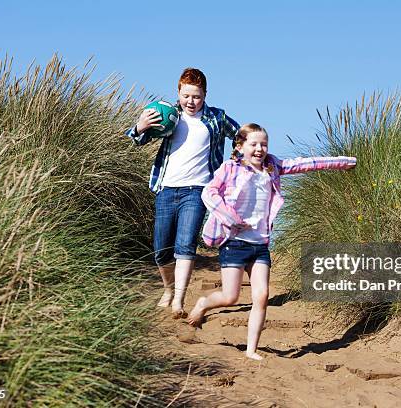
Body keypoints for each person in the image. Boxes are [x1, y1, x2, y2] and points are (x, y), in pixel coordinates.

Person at [187, 123, 356, 359]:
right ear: (241, 146)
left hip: (260, 245)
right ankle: (204, 303)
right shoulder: (230, 168)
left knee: (262, 296)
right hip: (234, 242)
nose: (259, 149)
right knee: (230, 297)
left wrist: (342, 162)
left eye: (264, 144)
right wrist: (230, 218)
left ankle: (251, 350)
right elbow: (209, 193)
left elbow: (304, 164)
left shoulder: (272, 167)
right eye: (254, 144)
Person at [125, 68, 239, 318]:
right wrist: (140, 126)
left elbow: (239, 135)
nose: (191, 101)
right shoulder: (168, 115)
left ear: (205, 95)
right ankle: (168, 290)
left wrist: (236, 158)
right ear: (178, 93)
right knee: (161, 250)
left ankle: (178, 300)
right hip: (166, 188)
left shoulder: (216, 117)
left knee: (185, 245)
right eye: (186, 95)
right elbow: (136, 139)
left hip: (197, 191)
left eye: (196, 96)